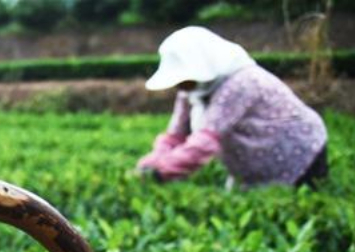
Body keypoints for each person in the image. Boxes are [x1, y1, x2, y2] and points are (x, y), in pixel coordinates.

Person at [136, 27, 328, 189]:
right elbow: (175, 135)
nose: (180, 86)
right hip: (253, 162)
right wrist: (149, 164)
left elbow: (205, 141)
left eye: (183, 79)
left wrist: (161, 172)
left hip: (300, 152)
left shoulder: (241, 82)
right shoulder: (191, 89)